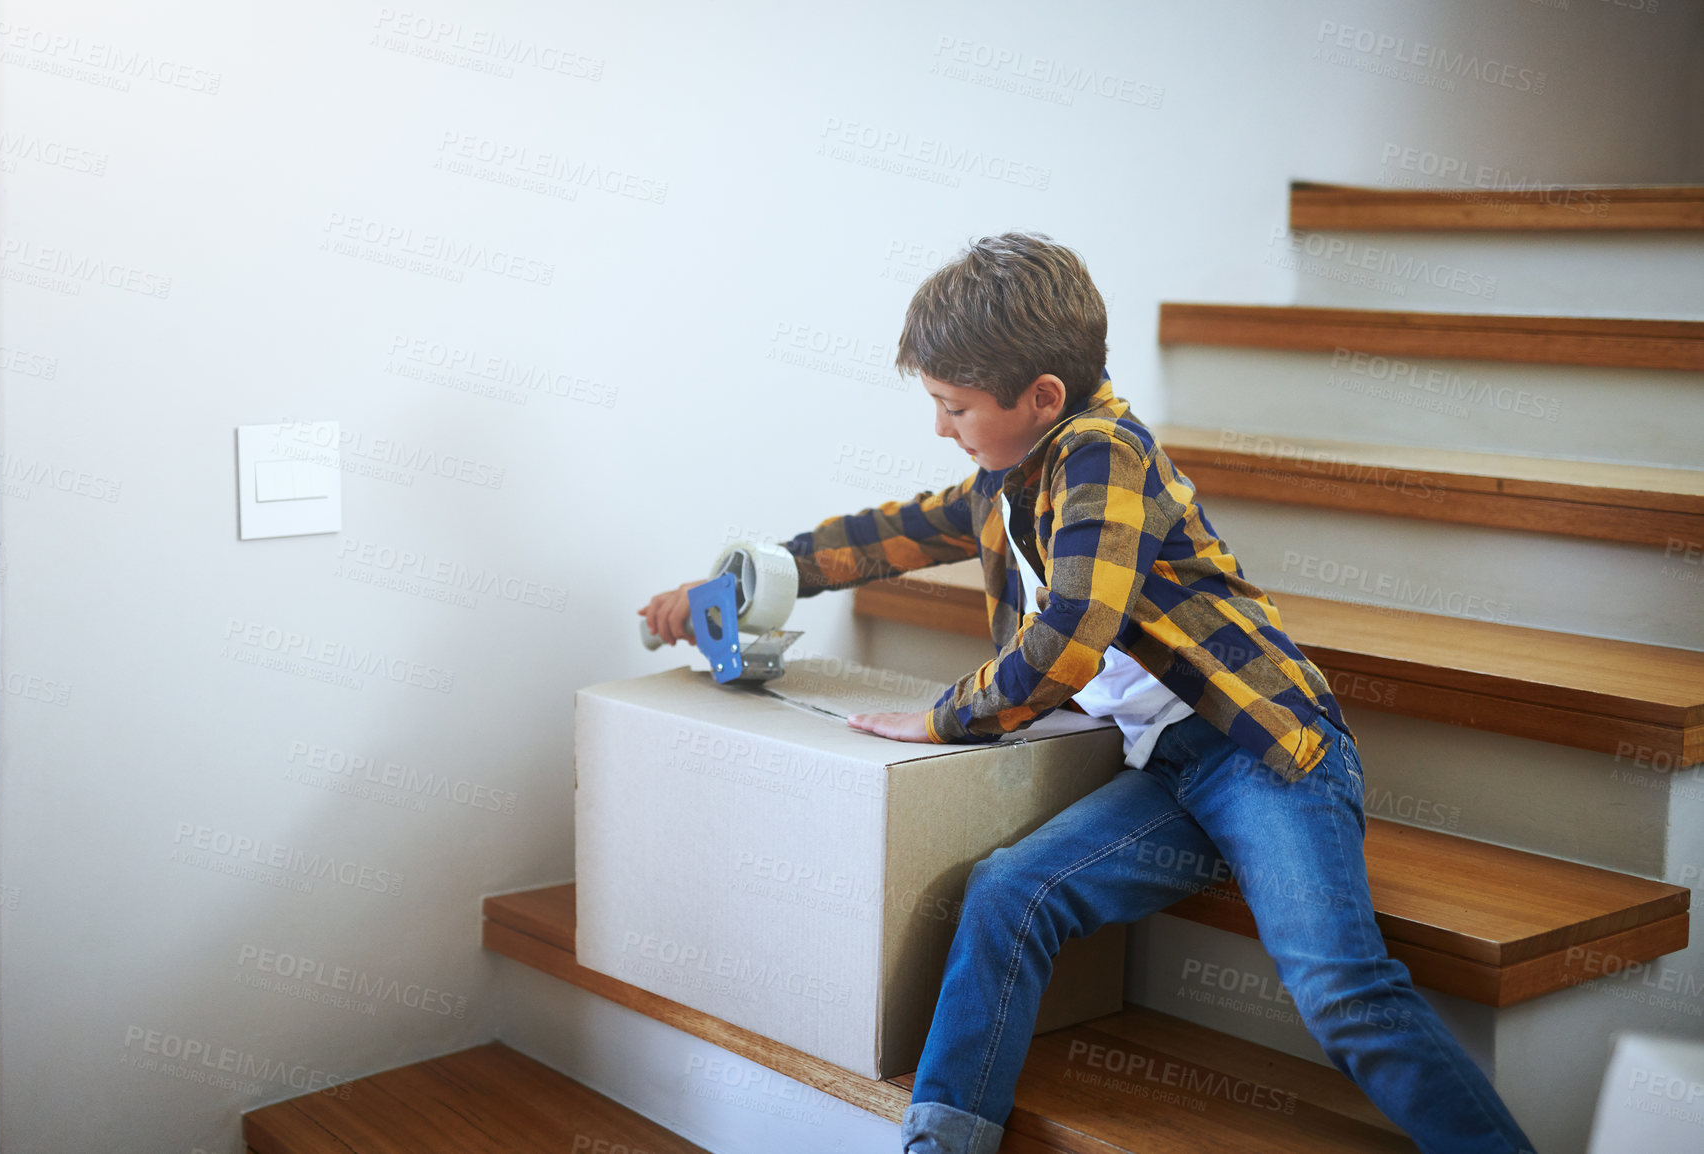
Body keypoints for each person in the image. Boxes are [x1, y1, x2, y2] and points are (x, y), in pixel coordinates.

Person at [639, 233, 1534, 1154]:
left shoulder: (1105, 454)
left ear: (1042, 400)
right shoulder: (1005, 478)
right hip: (1165, 770)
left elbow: (1067, 639)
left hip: (1262, 754)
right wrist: (736, 589)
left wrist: (944, 718)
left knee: (1343, 992)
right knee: (1005, 895)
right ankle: (938, 1143)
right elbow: (884, 537)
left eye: (953, 408)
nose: (941, 427)